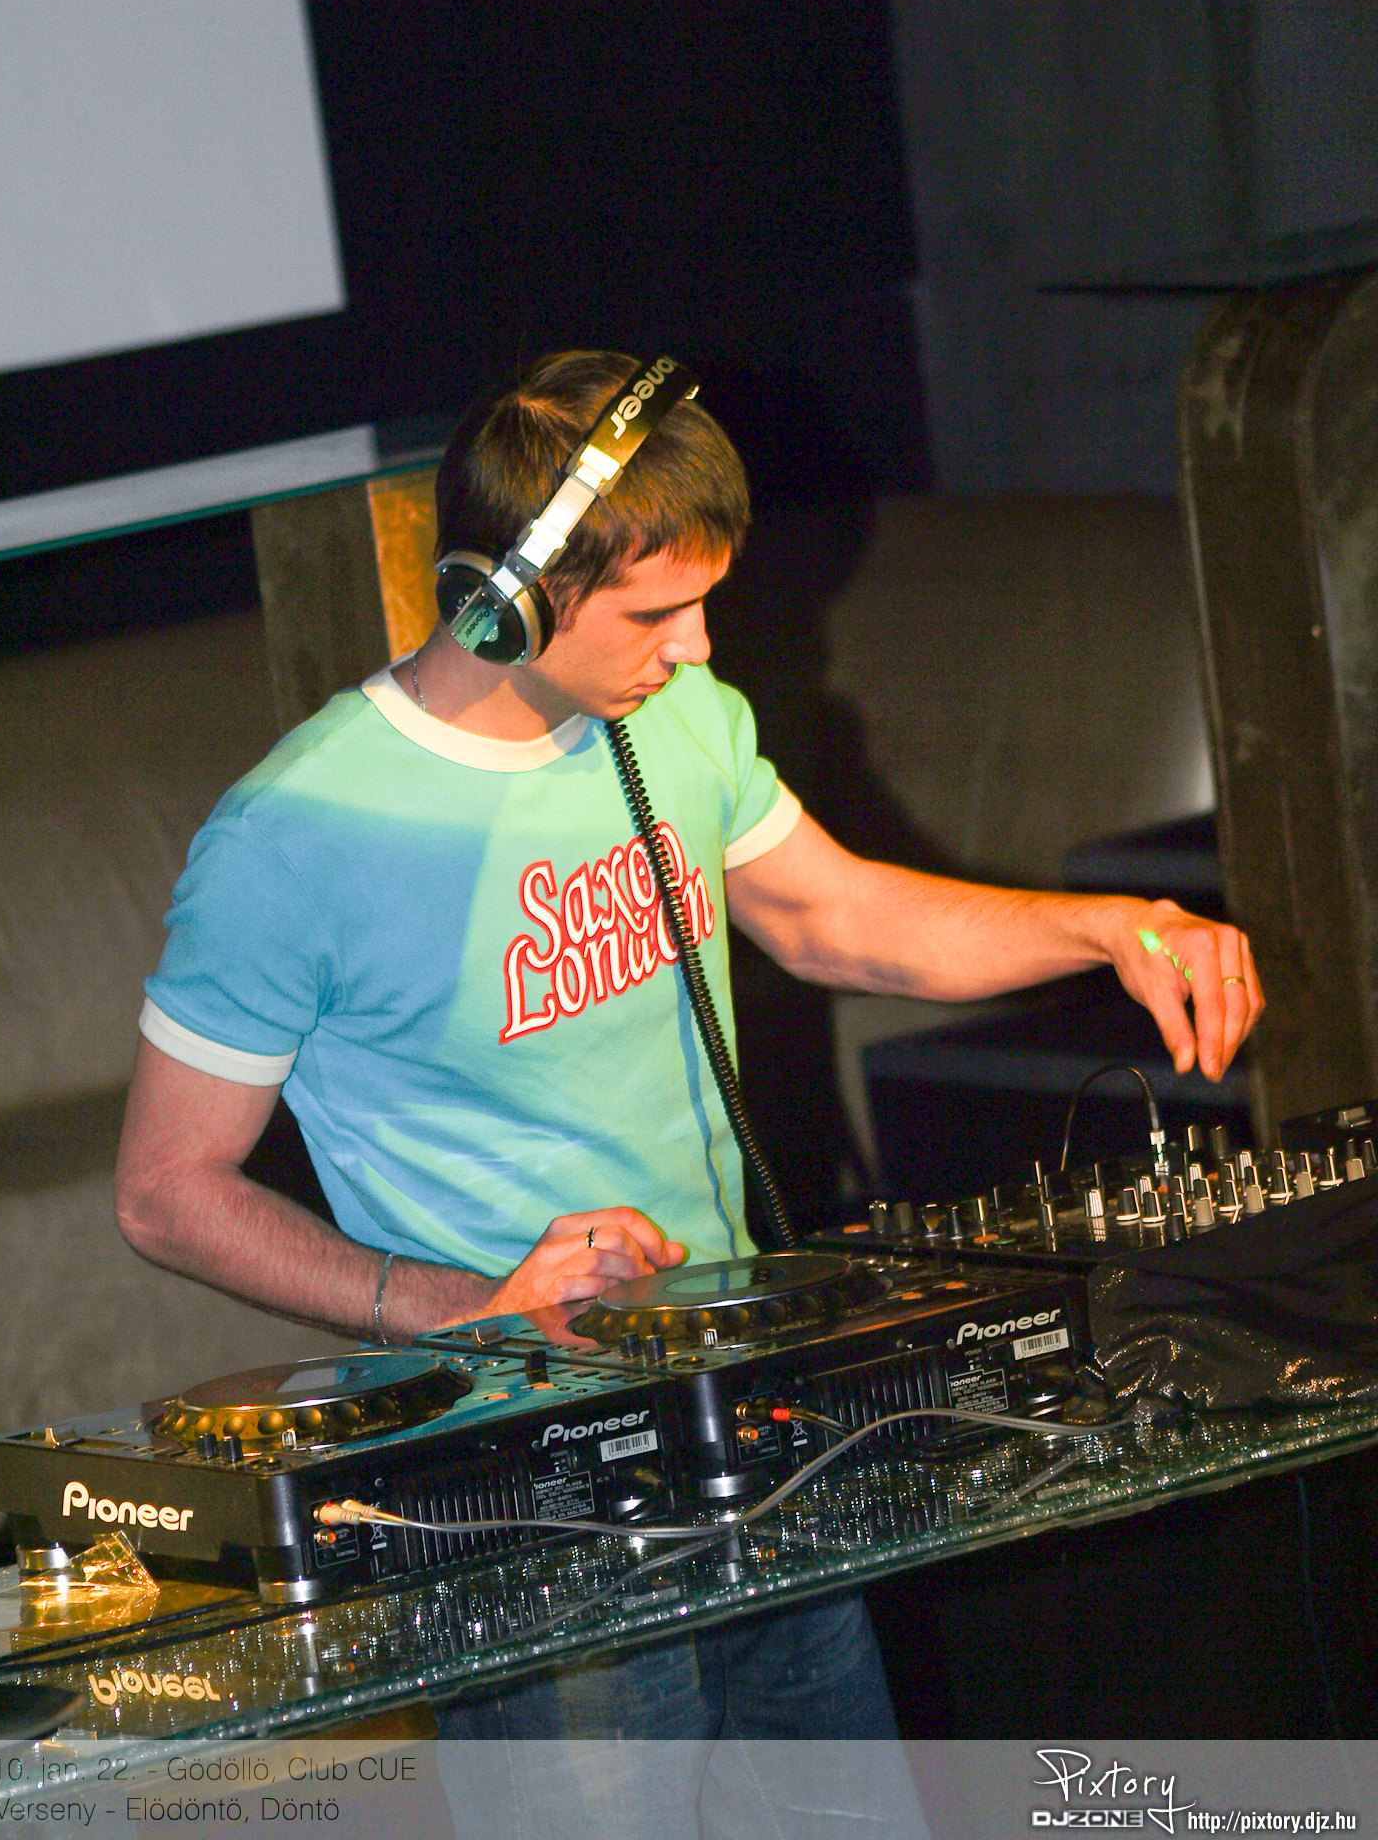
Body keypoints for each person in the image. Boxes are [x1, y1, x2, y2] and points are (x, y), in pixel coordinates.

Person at [114, 351, 1262, 1772]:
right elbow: (166, 1192)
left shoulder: (678, 721)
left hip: (755, 1428)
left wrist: (1107, 927)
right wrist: (470, 1308)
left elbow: (838, 920)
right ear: (506, 595)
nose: (701, 647)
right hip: (527, 1497)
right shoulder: (297, 834)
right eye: (655, 613)